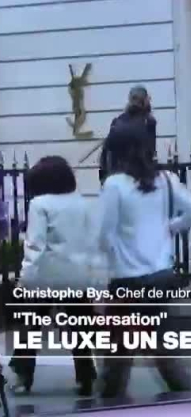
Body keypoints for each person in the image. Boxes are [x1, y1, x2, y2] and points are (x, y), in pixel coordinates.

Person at [98, 121, 191, 398]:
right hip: (161, 275)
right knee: (162, 348)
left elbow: (105, 234)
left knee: (118, 352)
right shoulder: (166, 179)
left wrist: (108, 259)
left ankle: (110, 404)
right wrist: (169, 228)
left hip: (127, 280)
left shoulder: (115, 184)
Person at [9, 156, 103, 396]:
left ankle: (23, 375)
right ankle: (86, 376)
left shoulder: (39, 204)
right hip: (78, 277)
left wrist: (25, 279)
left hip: (47, 276)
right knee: (81, 327)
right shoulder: (81, 202)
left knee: (31, 325)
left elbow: (35, 246)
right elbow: (91, 242)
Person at [99, 85, 157, 183]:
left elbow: (105, 154)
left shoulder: (117, 122)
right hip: (138, 178)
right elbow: (150, 152)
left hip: (115, 177)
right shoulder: (148, 122)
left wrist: (104, 180)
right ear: (145, 101)